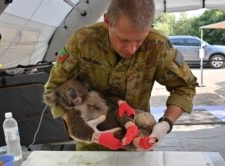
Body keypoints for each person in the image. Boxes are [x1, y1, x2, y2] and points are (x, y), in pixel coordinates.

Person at [44, 0, 197, 151]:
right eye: (123, 39)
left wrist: (165, 124)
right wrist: (81, 126)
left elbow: (185, 86)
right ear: (107, 21)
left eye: (139, 40)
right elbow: (54, 88)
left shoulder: (157, 45)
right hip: (92, 146)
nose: (131, 49)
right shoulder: (83, 40)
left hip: (137, 138)